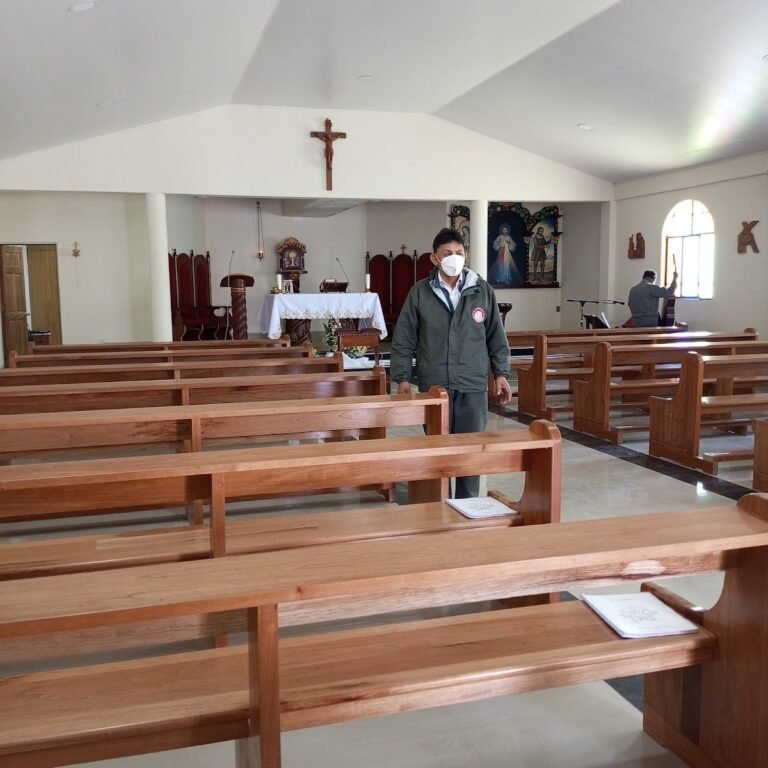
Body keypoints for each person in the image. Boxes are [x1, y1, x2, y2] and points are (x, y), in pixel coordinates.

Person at [390, 227, 512, 498]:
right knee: (439, 452)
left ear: (465, 256)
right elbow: (404, 338)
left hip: (472, 384)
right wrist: (402, 378)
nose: (454, 258)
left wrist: (501, 373)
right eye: (447, 253)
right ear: (434, 259)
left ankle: (467, 506)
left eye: (459, 252)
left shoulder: (482, 291)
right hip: (435, 385)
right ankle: (439, 506)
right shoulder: (420, 293)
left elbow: (496, 336)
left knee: (470, 453)